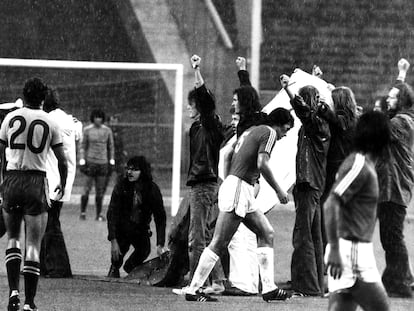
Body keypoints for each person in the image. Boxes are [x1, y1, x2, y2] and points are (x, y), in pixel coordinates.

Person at [183, 107, 293, 303]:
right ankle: (193, 289)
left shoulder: (252, 130)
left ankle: (269, 288)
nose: (285, 134)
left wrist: (229, 180)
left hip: (241, 187)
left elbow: (227, 155)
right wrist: (279, 190)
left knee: (267, 232)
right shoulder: (269, 132)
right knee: (219, 242)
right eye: (286, 128)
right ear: (278, 123)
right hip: (240, 188)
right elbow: (262, 163)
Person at [0, 77, 68, 311]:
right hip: (35, 180)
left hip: (12, 178)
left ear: (24, 95)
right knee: (33, 245)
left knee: (13, 239)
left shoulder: (10, 118)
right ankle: (29, 302)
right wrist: (63, 182)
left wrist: (2, 181)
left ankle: (13, 293)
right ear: (43, 97)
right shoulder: (50, 122)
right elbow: (62, 160)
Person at [324, 110, 391, 311]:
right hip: (352, 251)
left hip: (351, 249)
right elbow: (331, 203)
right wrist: (335, 248)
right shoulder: (360, 165)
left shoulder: (363, 164)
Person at [280, 74, 331, 297]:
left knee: (303, 235)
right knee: (314, 235)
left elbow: (304, 113)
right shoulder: (320, 126)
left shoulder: (315, 125)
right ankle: (314, 283)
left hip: (308, 184)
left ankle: (305, 285)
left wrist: (289, 91)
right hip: (313, 184)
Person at [182, 55, 226, 293]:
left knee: (196, 239)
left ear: (199, 107)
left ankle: (196, 284)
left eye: (191, 104)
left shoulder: (209, 123)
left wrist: (196, 70)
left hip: (204, 183)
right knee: (206, 236)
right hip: (203, 183)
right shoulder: (197, 127)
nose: (188, 108)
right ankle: (217, 282)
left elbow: (205, 99)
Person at [376, 58, 414, 298]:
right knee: (390, 236)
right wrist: (401, 75)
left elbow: (378, 130)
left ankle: (403, 282)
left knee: (392, 237)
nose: (387, 99)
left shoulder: (402, 121)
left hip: (395, 187)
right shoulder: (404, 117)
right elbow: (398, 95)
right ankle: (396, 280)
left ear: (401, 101)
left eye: (392, 97)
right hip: (392, 186)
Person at [106, 155, 167, 277]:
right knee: (118, 253)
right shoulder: (121, 186)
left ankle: (131, 267)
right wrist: (113, 240)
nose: (129, 172)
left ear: (143, 171)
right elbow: (112, 213)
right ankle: (114, 267)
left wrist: (160, 244)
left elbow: (160, 217)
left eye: (134, 169)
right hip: (122, 228)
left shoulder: (152, 189)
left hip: (140, 229)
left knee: (144, 249)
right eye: (128, 168)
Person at [40, 87, 78, 278]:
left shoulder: (49, 120)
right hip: (65, 178)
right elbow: (77, 132)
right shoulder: (69, 119)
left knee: (50, 222)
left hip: (53, 178)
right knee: (48, 221)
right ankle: (43, 265)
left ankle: (59, 267)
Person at [318, 86, 358, 251]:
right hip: (349, 169)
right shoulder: (355, 119)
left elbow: (332, 117)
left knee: (325, 209)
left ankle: (327, 250)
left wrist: (322, 106)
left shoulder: (342, 121)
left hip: (336, 169)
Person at [79, 108, 115, 221]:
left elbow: (111, 147)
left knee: (100, 190)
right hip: (91, 162)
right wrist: (82, 160)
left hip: (102, 163)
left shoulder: (107, 131)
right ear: (93, 118)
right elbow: (82, 146)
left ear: (102, 119)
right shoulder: (87, 130)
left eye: (99, 117)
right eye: (96, 117)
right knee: (86, 188)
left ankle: (99, 214)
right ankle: (83, 212)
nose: (98, 119)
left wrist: (112, 160)